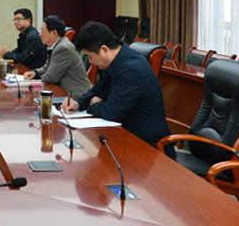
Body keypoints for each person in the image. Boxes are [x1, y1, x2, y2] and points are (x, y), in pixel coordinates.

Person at [61, 21, 173, 156]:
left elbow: (111, 112)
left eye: (90, 57)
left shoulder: (132, 70)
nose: (90, 62)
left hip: (148, 148)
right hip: (123, 136)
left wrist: (94, 105)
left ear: (104, 50)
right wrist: (78, 102)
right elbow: (97, 91)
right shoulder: (114, 62)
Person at [23, 15, 91, 96]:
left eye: (42, 31)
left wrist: (29, 84)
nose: (40, 35)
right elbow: (47, 67)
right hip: (61, 91)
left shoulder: (63, 48)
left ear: (54, 33)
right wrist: (35, 72)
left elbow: (51, 77)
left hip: (75, 94)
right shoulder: (55, 45)